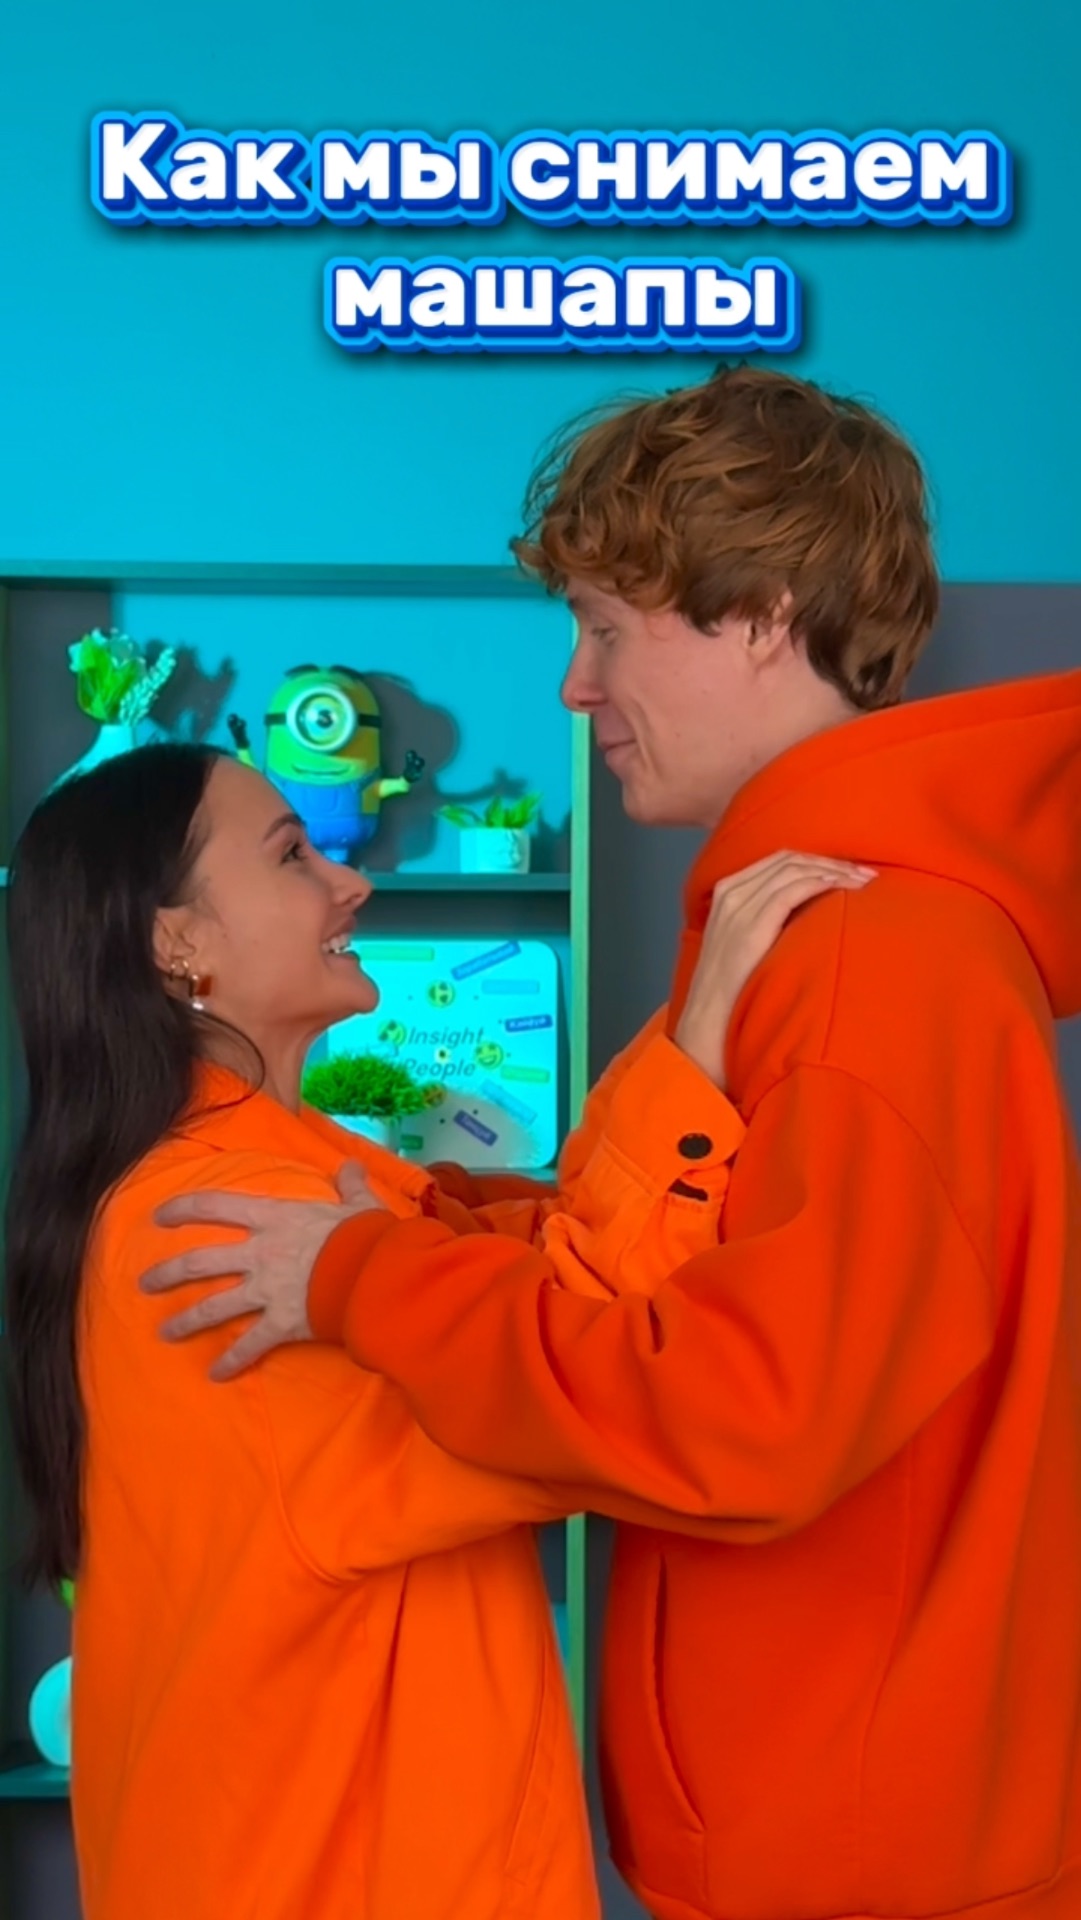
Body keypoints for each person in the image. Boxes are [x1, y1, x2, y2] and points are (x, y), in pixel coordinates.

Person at [145, 366, 1081, 1920]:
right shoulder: (812, 930)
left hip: (858, 1869)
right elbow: (713, 1285)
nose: (576, 688)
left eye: (605, 628)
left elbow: (741, 1415)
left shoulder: (871, 956)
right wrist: (438, 1220)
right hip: (838, 1839)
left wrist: (367, 1281)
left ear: (760, 618)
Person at [3, 739, 860, 1920]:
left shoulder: (292, 1183)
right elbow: (564, 1381)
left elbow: (536, 1253)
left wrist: (688, 1038)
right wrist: (700, 1037)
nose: (350, 881)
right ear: (176, 943)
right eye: (291, 856)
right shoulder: (219, 1226)